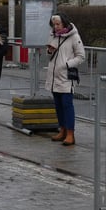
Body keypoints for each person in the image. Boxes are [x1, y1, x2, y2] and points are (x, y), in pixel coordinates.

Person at [45, 12, 86, 146]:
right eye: (54, 24)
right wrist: (50, 51)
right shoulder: (54, 35)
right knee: (58, 106)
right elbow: (51, 53)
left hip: (66, 77)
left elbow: (81, 56)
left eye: (58, 24)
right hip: (54, 77)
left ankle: (70, 134)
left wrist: (67, 64)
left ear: (64, 23)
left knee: (67, 105)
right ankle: (62, 130)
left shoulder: (74, 37)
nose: (56, 27)